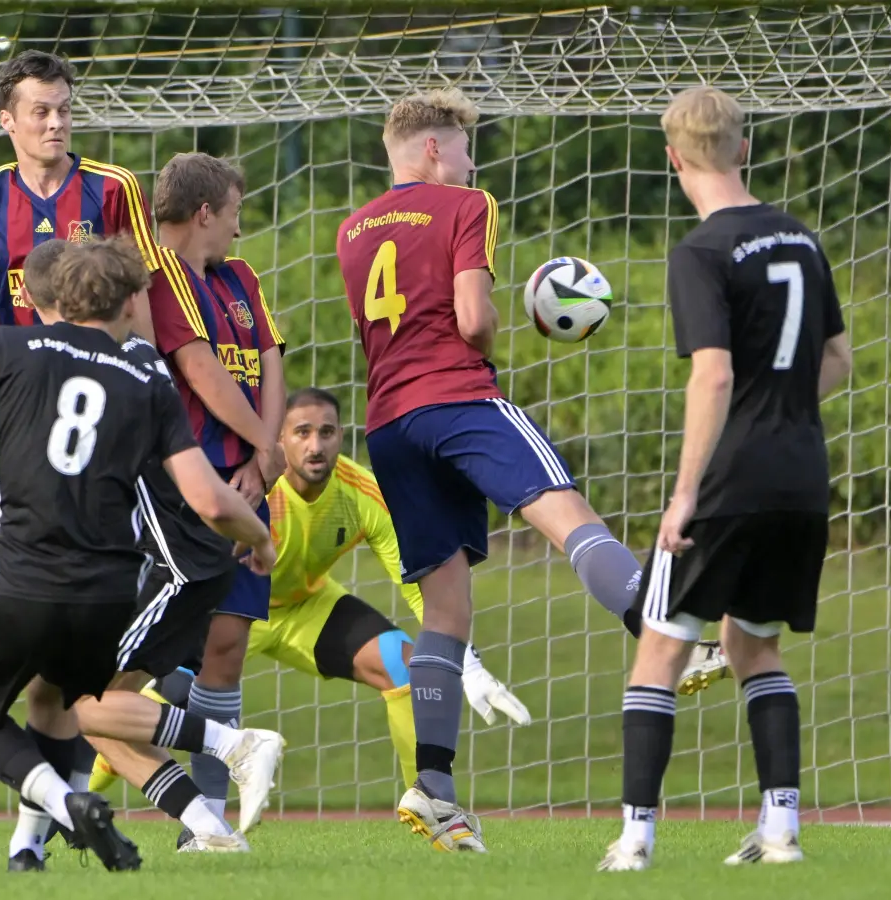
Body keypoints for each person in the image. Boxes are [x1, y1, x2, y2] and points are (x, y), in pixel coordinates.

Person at [0, 237, 279, 872]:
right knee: (56, 703)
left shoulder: (8, 347)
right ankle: (28, 850)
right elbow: (208, 498)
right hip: (108, 596)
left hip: (19, 578)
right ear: (127, 303)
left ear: (57, 295)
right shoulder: (148, 376)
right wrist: (260, 539)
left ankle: (68, 805)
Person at [334, 88, 647, 852]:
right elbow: (472, 318)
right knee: (571, 517)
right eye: (466, 146)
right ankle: (667, 631)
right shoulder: (466, 203)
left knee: (444, 613)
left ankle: (434, 787)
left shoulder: (350, 228)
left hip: (390, 423)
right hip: (458, 396)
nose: (473, 161)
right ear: (436, 149)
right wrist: (501, 334)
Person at [598, 86, 851, 872]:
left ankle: (635, 841)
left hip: (729, 482)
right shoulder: (802, 239)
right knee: (754, 647)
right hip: (803, 478)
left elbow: (711, 376)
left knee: (658, 651)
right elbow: (837, 361)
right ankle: (781, 832)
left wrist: (683, 495)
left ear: (674, 160)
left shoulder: (701, 252)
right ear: (744, 149)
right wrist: (777, 409)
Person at [91, 386, 532, 801]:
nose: (315, 445)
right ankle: (82, 799)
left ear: (342, 436)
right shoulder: (254, 487)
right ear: (279, 438)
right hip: (230, 614)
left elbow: (415, 581)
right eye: (302, 433)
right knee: (137, 706)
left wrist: (465, 664)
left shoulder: (361, 493)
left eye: (326, 432)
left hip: (306, 606)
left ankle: (428, 806)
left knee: (404, 664)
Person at [0, 47, 162, 833]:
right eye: (39, 109)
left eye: (64, 107)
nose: (55, 121)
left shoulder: (112, 188)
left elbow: (140, 288)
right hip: (21, 401)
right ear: (8, 119)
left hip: (103, 406)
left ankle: (28, 779)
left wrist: (146, 379)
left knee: (86, 577)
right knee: (19, 560)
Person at [0, 239, 260, 865]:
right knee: (79, 705)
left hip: (165, 564)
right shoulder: (135, 358)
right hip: (160, 560)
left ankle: (234, 746)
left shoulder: (91, 365)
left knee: (83, 702)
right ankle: (193, 824)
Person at [144, 151, 286, 832]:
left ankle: (211, 823)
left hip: (245, 484)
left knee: (226, 646)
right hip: (182, 486)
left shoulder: (241, 277)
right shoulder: (160, 274)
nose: (238, 227)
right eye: (233, 213)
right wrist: (264, 443)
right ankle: (53, 805)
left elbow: (269, 359)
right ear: (205, 212)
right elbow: (200, 370)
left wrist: (264, 459)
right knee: (150, 653)